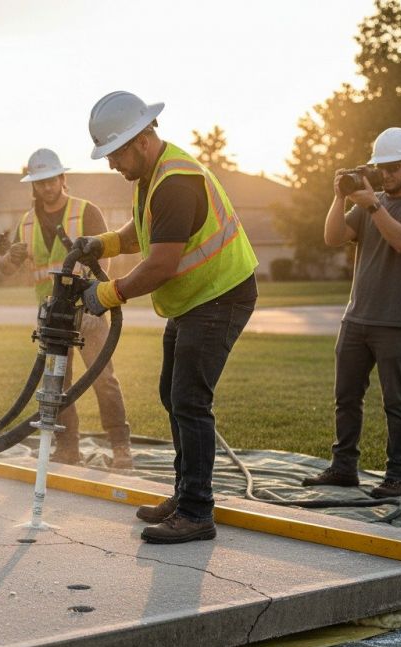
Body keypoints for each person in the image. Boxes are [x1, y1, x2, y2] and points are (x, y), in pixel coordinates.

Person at [74, 91, 258, 544]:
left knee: (189, 400)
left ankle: (196, 511)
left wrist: (107, 294)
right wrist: (103, 243)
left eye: (115, 153)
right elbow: (142, 232)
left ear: (141, 140)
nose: (111, 164)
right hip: (197, 300)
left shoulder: (175, 182)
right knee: (172, 394)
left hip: (219, 296)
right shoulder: (152, 176)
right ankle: (185, 494)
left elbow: (160, 265)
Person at [302, 127, 401, 498]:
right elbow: (333, 237)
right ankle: (343, 469)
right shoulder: (368, 202)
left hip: (397, 321)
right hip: (356, 318)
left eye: (394, 167)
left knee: (396, 402)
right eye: (382, 167)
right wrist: (339, 198)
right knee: (346, 399)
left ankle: (398, 477)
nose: (386, 174)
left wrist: (373, 206)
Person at [0, 147, 133, 468]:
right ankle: (68, 448)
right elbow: (6, 270)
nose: (47, 186)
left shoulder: (86, 211)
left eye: (52, 179)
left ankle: (120, 446)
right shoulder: (26, 223)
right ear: (34, 185)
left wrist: (95, 299)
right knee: (58, 384)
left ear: (62, 178)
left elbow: (104, 260)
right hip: (52, 316)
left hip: (87, 310)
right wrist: (9, 258)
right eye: (41, 181)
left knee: (103, 378)